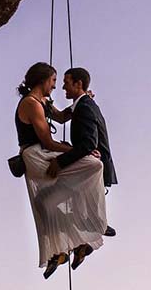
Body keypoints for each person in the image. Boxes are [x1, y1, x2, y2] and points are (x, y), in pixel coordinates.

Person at [15, 63, 108, 278]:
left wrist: (84, 98)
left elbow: (61, 117)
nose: (56, 86)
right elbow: (47, 141)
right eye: (54, 81)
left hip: (43, 152)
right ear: (43, 80)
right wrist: (78, 150)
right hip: (36, 156)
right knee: (93, 164)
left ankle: (60, 250)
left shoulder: (43, 101)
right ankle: (89, 222)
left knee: (45, 202)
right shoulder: (31, 104)